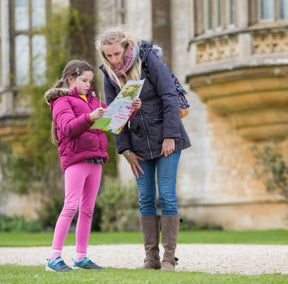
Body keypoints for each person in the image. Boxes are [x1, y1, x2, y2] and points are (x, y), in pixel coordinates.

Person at [96, 27, 191, 270]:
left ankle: (169, 257)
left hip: (167, 139)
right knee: (145, 199)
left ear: (126, 47)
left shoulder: (149, 59)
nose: (114, 60)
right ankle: (151, 258)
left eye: (117, 54)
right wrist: (125, 150)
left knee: (167, 196)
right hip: (137, 145)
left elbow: (169, 96)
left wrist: (170, 135)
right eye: (108, 56)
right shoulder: (109, 73)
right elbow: (115, 114)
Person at [43, 59, 141, 272]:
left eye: (90, 80)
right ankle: (53, 258)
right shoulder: (62, 102)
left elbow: (114, 120)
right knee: (71, 206)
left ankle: (80, 257)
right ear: (71, 79)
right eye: (84, 80)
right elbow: (68, 128)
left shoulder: (93, 101)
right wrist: (88, 117)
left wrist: (130, 109)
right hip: (76, 159)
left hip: (96, 159)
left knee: (87, 210)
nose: (89, 84)